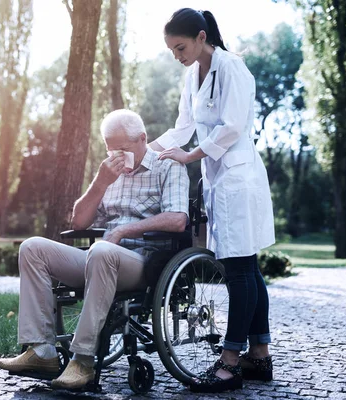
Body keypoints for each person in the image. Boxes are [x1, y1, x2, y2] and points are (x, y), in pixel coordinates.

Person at [0, 109, 189, 390]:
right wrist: (100, 183)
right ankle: (41, 352)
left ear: (142, 139)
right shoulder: (109, 172)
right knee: (32, 248)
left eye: (122, 148)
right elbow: (79, 221)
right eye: (111, 149)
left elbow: (177, 218)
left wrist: (123, 230)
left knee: (101, 252)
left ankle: (83, 360)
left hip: (145, 262)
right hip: (102, 258)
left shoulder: (168, 166)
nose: (117, 155)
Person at [148, 8, 275, 394]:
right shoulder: (192, 76)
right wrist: (147, 152)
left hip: (238, 176)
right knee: (247, 267)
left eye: (180, 47)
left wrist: (190, 156)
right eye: (171, 50)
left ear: (202, 37)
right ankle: (260, 357)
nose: (177, 56)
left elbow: (232, 126)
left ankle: (230, 363)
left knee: (238, 269)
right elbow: (183, 127)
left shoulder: (232, 67)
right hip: (219, 179)